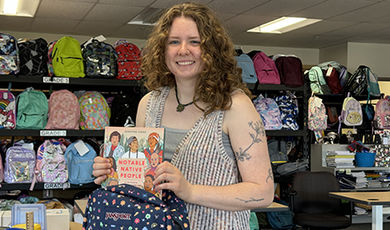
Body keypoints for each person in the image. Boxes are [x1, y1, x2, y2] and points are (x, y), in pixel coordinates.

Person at [93, 2, 274, 229]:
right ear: (163, 49)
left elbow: (263, 192)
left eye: (195, 42)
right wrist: (113, 172)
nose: (183, 50)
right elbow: (141, 184)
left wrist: (190, 191)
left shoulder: (235, 106)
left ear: (212, 50)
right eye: (174, 42)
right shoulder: (148, 104)